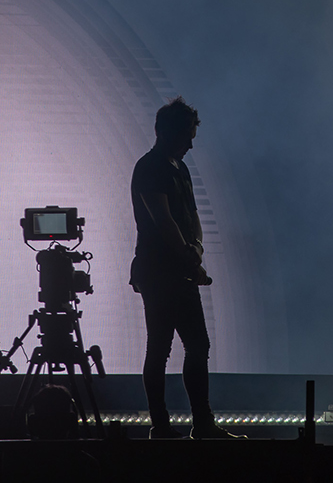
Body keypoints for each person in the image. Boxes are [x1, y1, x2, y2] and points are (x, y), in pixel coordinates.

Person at [130, 98, 241, 440]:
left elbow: (191, 217)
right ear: (166, 132)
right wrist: (191, 256)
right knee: (163, 347)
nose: (191, 144)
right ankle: (167, 426)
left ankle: (195, 424)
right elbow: (162, 220)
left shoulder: (178, 168)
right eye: (187, 136)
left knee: (193, 346)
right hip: (159, 272)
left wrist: (196, 250)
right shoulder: (150, 167)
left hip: (177, 271)